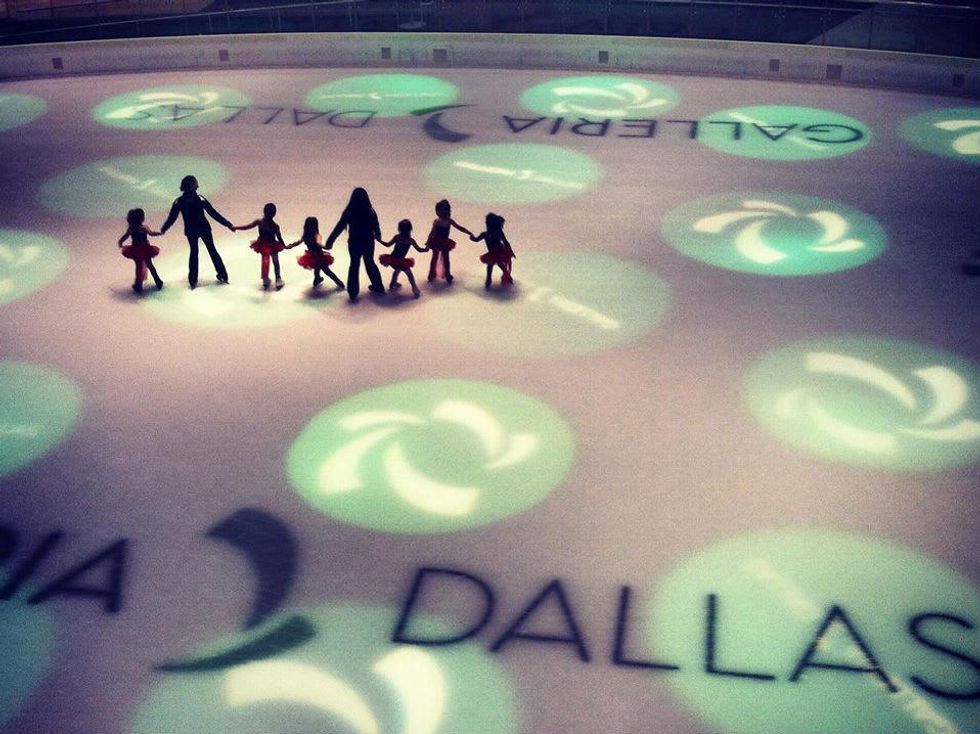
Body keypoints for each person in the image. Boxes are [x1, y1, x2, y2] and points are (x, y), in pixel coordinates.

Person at [159, 175, 234, 289]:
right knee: (212, 250)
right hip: (204, 228)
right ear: (192, 186)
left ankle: (193, 279)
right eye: (195, 183)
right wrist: (227, 224)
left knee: (194, 252)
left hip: (191, 230)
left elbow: (172, 218)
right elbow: (213, 213)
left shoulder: (179, 201)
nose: (198, 184)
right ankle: (223, 275)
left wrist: (164, 228)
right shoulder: (200, 198)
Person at [324, 187, 385, 302]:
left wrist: (330, 241)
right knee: (369, 262)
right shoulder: (370, 211)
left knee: (354, 265)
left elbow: (340, 226)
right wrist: (378, 235)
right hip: (368, 241)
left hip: (354, 242)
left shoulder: (350, 211)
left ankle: (353, 291)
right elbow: (376, 225)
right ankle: (378, 285)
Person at [285, 216, 345, 290]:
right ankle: (335, 282)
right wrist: (327, 247)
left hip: (315, 257)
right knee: (325, 270)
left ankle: (319, 280)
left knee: (321, 269)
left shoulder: (306, 236)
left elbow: (299, 242)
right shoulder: (315, 236)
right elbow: (319, 245)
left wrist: (291, 245)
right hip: (317, 256)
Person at [236, 203, 286, 290]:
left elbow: (247, 227)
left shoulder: (270, 225)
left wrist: (285, 246)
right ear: (274, 213)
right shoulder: (269, 224)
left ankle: (272, 278)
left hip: (269, 245)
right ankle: (271, 278)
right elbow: (248, 226)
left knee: (270, 262)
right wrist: (236, 227)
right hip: (266, 245)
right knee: (271, 262)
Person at [425, 199, 474, 284]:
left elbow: (459, 227)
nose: (438, 213)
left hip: (443, 242)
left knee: (445, 258)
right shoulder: (437, 221)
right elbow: (432, 232)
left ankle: (446, 274)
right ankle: (432, 274)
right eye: (438, 211)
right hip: (437, 241)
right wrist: (428, 241)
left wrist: (468, 232)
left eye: (440, 211)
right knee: (435, 258)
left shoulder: (448, 220)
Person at [378, 219, 428, 298]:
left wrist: (379, 240)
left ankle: (393, 283)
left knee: (397, 270)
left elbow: (387, 245)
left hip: (392, 259)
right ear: (410, 229)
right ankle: (414, 288)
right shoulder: (410, 241)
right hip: (399, 260)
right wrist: (426, 249)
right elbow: (419, 250)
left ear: (399, 229)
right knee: (409, 274)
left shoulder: (397, 237)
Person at [118, 207, 163, 293]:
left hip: (135, 250)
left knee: (139, 267)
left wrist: (120, 241)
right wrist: (159, 233)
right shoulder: (143, 228)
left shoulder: (131, 228)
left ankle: (138, 285)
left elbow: (125, 236)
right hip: (145, 249)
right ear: (141, 218)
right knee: (150, 265)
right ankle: (158, 281)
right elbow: (151, 233)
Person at [471, 212, 515, 288]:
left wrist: (472, 237)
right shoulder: (496, 232)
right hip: (498, 252)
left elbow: (476, 239)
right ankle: (505, 277)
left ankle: (489, 281)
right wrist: (510, 251)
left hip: (497, 252)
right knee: (498, 265)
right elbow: (505, 242)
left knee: (492, 266)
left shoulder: (486, 234)